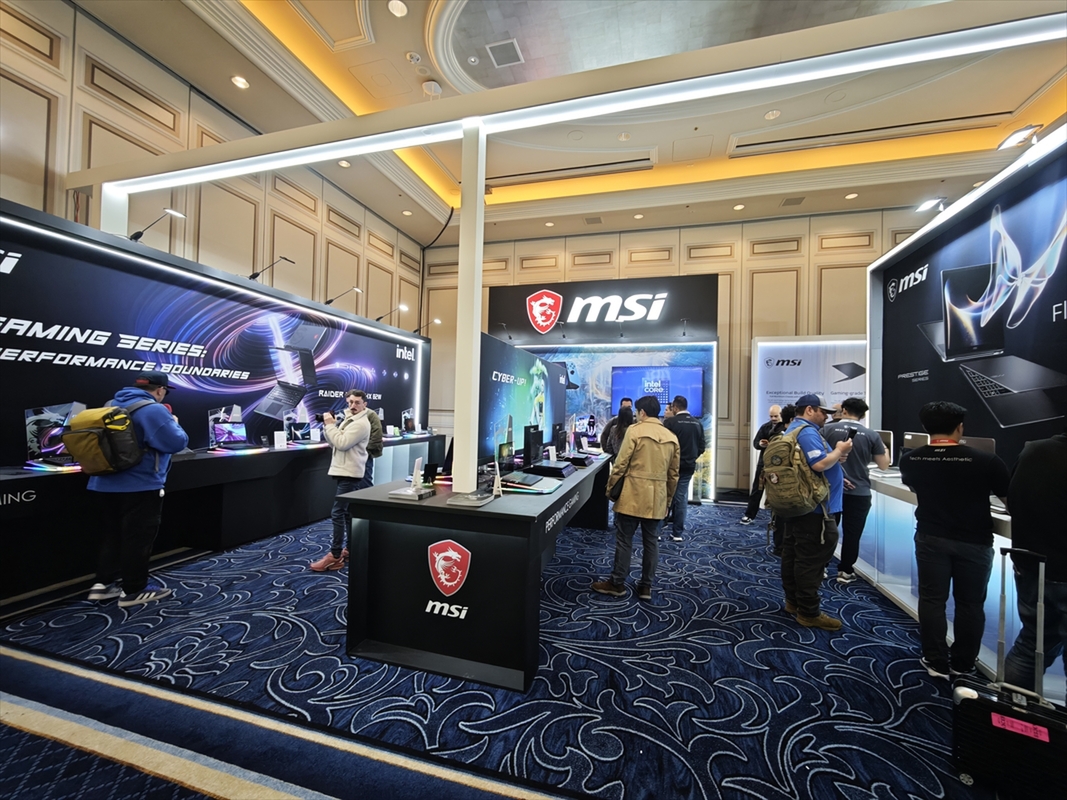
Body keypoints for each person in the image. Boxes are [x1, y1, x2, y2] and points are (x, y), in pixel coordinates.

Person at [899, 401, 1010, 679]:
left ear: (925, 427)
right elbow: (1010, 501)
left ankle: (935, 660)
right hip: (974, 541)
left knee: (932, 599)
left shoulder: (910, 459)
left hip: (930, 537)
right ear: (960, 427)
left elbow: (915, 487)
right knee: (970, 604)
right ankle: (963, 663)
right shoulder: (986, 460)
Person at [86, 371, 189, 607]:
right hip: (140, 484)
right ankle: (134, 589)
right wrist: (174, 423)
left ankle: (103, 585)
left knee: (112, 535)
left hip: (102, 483)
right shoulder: (153, 410)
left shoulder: (110, 404)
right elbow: (176, 442)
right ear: (161, 390)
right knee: (138, 538)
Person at [594, 396, 679, 602]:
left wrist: (610, 489)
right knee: (651, 542)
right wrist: (667, 501)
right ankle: (645, 587)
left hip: (632, 493)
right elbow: (673, 475)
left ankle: (617, 583)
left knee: (624, 540)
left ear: (642, 412)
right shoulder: (671, 437)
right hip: (657, 498)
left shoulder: (634, 431)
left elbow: (621, 464)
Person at [779, 393, 852, 631]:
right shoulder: (808, 432)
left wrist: (836, 466)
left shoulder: (793, 430)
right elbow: (819, 464)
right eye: (823, 412)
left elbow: (812, 466)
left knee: (794, 554)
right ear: (809, 410)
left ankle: (794, 602)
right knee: (811, 560)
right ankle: (808, 612)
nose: (827, 417)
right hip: (816, 508)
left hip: (801, 505)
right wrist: (839, 449)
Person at [1003, 430, 1066, 691]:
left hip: (1032, 566)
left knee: (1031, 644)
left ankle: (1011, 707)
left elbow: (1012, 502)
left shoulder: (1033, 450)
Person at [823, 397, 889, 583]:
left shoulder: (826, 429)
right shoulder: (871, 435)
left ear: (843, 410)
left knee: (827, 530)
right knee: (853, 534)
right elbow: (884, 465)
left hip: (830, 489)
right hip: (859, 492)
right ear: (863, 415)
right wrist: (885, 448)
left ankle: (822, 567)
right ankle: (845, 571)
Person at [312, 389, 371, 572]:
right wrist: (329, 426)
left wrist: (330, 425)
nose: (353, 405)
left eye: (357, 402)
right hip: (345, 471)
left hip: (350, 473)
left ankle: (335, 555)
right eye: (350, 402)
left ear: (364, 404)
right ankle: (350, 549)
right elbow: (334, 443)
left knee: (337, 513)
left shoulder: (360, 423)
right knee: (346, 513)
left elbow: (342, 443)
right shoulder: (349, 420)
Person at [663, 395, 706, 542]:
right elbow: (702, 447)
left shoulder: (670, 422)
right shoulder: (697, 423)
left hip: (670, 466)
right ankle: (677, 533)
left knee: (664, 496)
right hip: (688, 466)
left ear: (675, 407)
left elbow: (664, 446)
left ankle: (659, 530)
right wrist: (691, 457)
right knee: (681, 498)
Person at [740, 404, 783, 525]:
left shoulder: (786, 428)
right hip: (764, 463)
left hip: (779, 465)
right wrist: (761, 444)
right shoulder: (765, 427)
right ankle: (749, 515)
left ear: (781, 415)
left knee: (778, 493)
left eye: (776, 416)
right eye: (771, 416)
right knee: (757, 490)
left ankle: (776, 519)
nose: (773, 418)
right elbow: (755, 443)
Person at [765, 404, 795, 555]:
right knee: (782, 518)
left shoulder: (783, 436)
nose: (773, 418)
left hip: (780, 484)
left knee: (782, 517)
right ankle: (780, 546)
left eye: (775, 416)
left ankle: (781, 546)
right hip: (786, 484)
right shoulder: (785, 437)